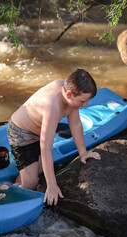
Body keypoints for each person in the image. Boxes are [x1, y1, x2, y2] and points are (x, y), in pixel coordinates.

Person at [7, 69, 101, 206]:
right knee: (31, 184)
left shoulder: (70, 91)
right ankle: (9, 191)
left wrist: (83, 153)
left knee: (38, 169)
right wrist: (51, 184)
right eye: (83, 101)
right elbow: (46, 149)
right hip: (21, 132)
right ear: (69, 94)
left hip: (38, 129)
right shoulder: (52, 107)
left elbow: (75, 124)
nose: (85, 105)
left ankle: (21, 177)